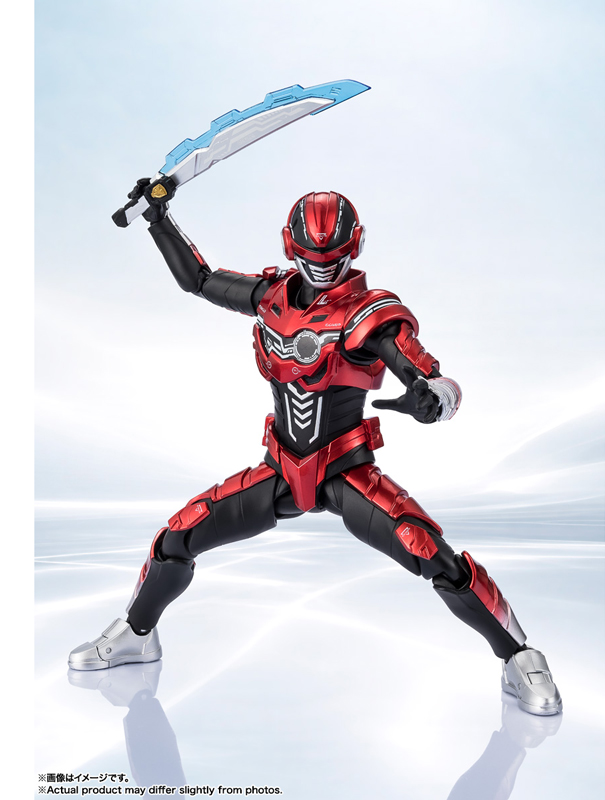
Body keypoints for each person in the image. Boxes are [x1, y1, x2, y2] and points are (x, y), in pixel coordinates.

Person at [69, 184, 562, 716]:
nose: (323, 268)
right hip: (281, 470)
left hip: (345, 472)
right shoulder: (270, 297)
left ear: (355, 247)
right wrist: (157, 219)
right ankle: (136, 634)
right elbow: (200, 280)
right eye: (312, 258)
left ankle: (520, 656)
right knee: (179, 533)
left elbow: (429, 374)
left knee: (426, 549)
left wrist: (432, 398)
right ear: (291, 247)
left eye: (333, 258)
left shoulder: (370, 313)